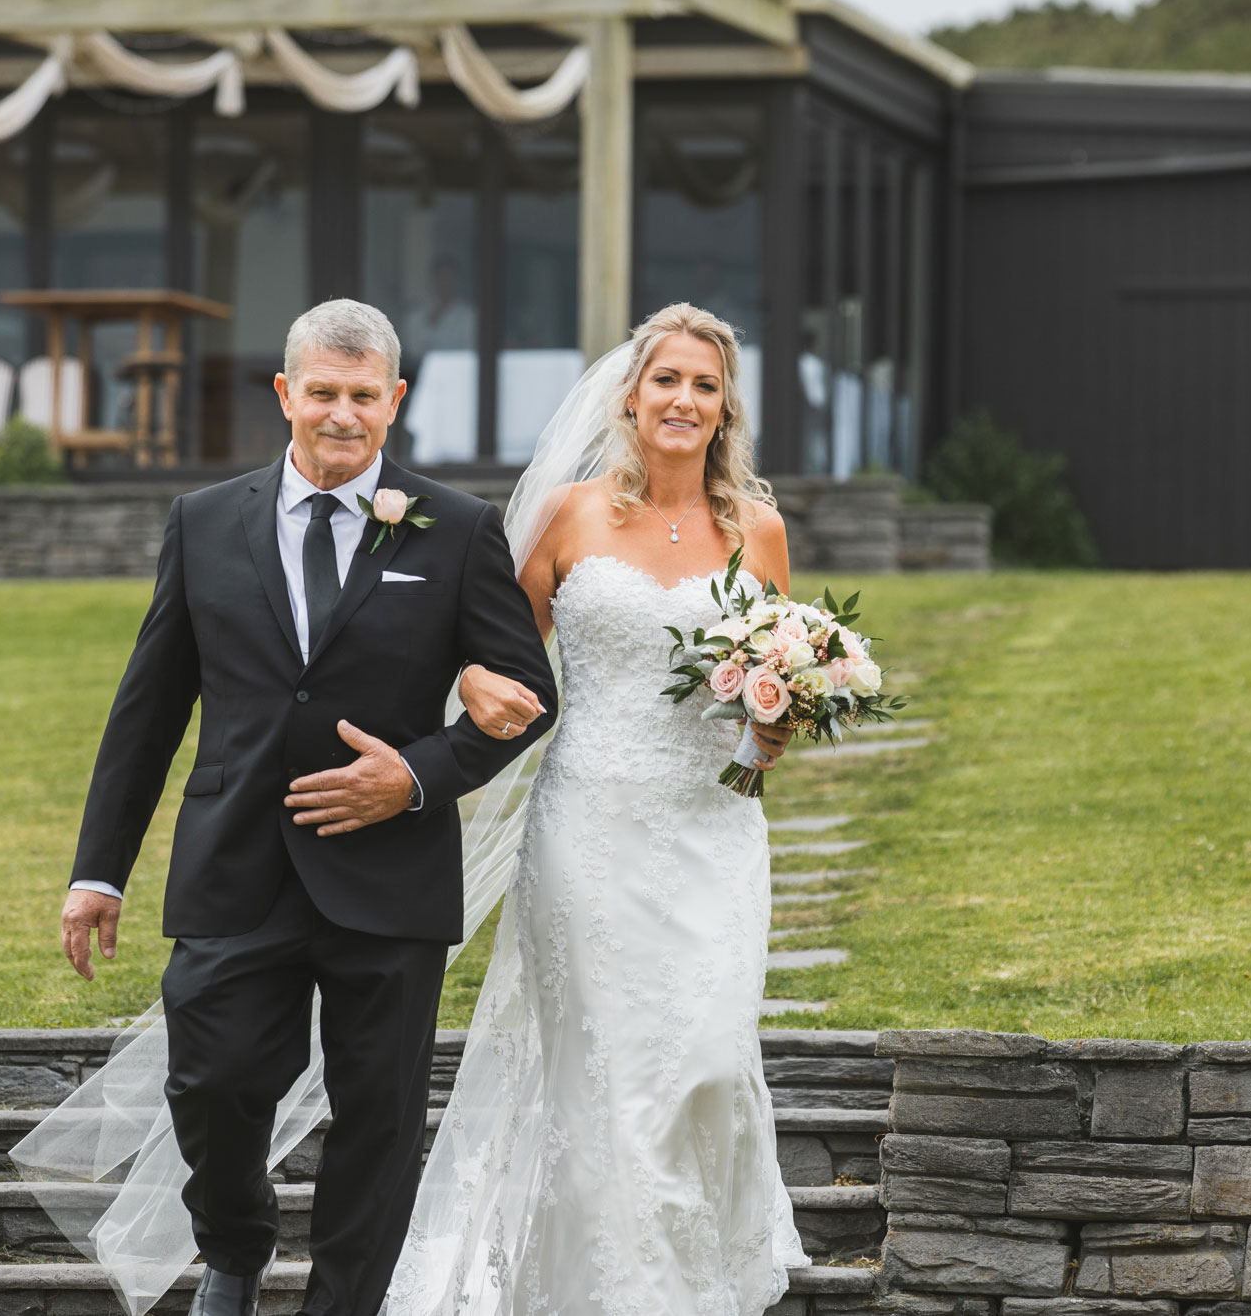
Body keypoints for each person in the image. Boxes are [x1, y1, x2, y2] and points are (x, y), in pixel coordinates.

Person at [41, 298, 557, 1316]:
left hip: (390, 875)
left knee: (378, 1115)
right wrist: (98, 869)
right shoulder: (202, 522)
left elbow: (524, 697)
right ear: (285, 394)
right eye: (321, 392)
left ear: (393, 400)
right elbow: (147, 710)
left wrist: (414, 774)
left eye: (363, 396)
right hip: (235, 864)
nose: (340, 415)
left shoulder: (454, 530)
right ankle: (233, 1246)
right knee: (211, 1081)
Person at [385, 301, 807, 1315]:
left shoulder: (757, 529)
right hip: (589, 831)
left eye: (703, 385)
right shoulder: (570, 515)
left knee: (707, 1061)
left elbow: (768, 700)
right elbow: (493, 649)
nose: (682, 399)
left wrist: (766, 740)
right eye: (666, 379)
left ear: (723, 410)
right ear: (629, 395)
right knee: (608, 1081)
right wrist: (466, 701)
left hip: (713, 828)